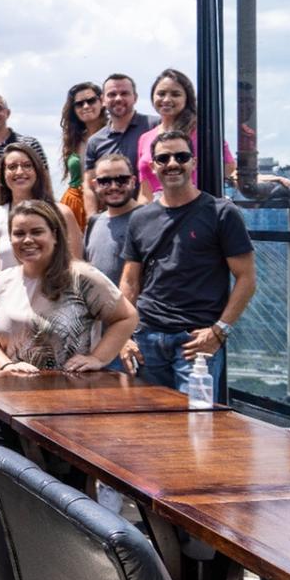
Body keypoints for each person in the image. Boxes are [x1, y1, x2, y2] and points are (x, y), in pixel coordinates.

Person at [119, 131, 256, 396]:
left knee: (196, 418)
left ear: (194, 162)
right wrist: (124, 335)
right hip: (147, 338)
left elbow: (247, 278)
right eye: (163, 158)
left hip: (196, 341)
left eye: (181, 157)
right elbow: (130, 281)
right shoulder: (140, 218)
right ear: (153, 166)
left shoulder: (221, 213)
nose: (172, 163)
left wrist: (219, 331)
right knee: (148, 418)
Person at [0, 200, 137, 372]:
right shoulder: (3, 280)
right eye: (19, 233)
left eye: (37, 232)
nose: (27, 240)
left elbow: (127, 317)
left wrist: (98, 358)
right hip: (13, 386)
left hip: (74, 385)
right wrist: (7, 365)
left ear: (55, 235)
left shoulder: (81, 277)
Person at [0, 142, 83, 292]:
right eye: (12, 167)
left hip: (55, 298)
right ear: (3, 174)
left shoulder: (62, 214)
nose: (20, 172)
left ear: (37, 171)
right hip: (7, 301)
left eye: (27, 165)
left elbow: (75, 265)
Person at [136, 68, 236, 204]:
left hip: (193, 208)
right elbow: (144, 192)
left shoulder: (203, 133)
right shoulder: (145, 138)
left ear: (187, 98)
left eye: (175, 94)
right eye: (161, 94)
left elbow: (229, 166)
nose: (167, 99)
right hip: (155, 211)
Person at [83, 74, 155, 217]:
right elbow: (89, 185)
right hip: (114, 219)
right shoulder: (95, 141)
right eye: (112, 94)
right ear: (103, 100)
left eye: (124, 93)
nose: (118, 98)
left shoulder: (154, 127)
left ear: (135, 97)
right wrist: (93, 219)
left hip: (153, 216)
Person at [83, 154, 140, 287]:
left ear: (133, 181)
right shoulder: (94, 223)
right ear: (95, 185)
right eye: (105, 181)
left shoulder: (149, 219)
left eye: (121, 180)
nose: (114, 187)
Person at [58, 81, 106, 231]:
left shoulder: (114, 134)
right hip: (74, 204)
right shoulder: (74, 139)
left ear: (102, 101)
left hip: (107, 202)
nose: (85, 106)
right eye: (79, 104)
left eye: (91, 101)